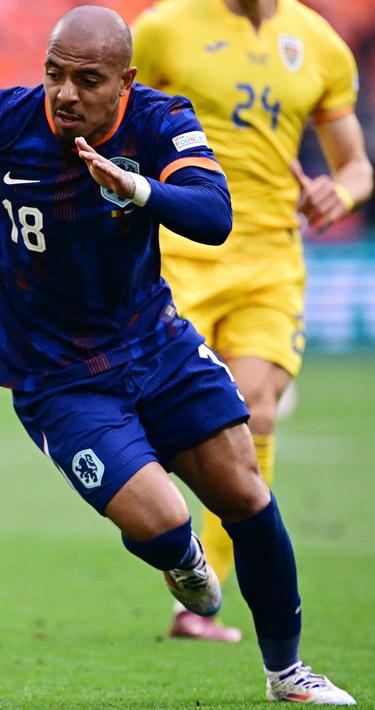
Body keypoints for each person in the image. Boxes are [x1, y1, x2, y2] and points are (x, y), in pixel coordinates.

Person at [0, 5, 353, 704]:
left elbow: (213, 215)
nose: (64, 93)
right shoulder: (6, 119)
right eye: (54, 74)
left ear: (123, 81)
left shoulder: (158, 120)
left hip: (155, 347)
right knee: (163, 523)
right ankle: (180, 558)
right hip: (57, 376)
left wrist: (139, 188)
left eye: (86, 80)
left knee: (246, 494)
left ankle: (286, 673)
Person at [131, 0, 373, 643]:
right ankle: (175, 544)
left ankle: (201, 595)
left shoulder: (320, 45)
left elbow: (356, 164)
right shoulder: (164, 29)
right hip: (181, 254)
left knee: (255, 411)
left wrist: (339, 192)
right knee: (168, 421)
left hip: (271, 259)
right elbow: (107, 113)